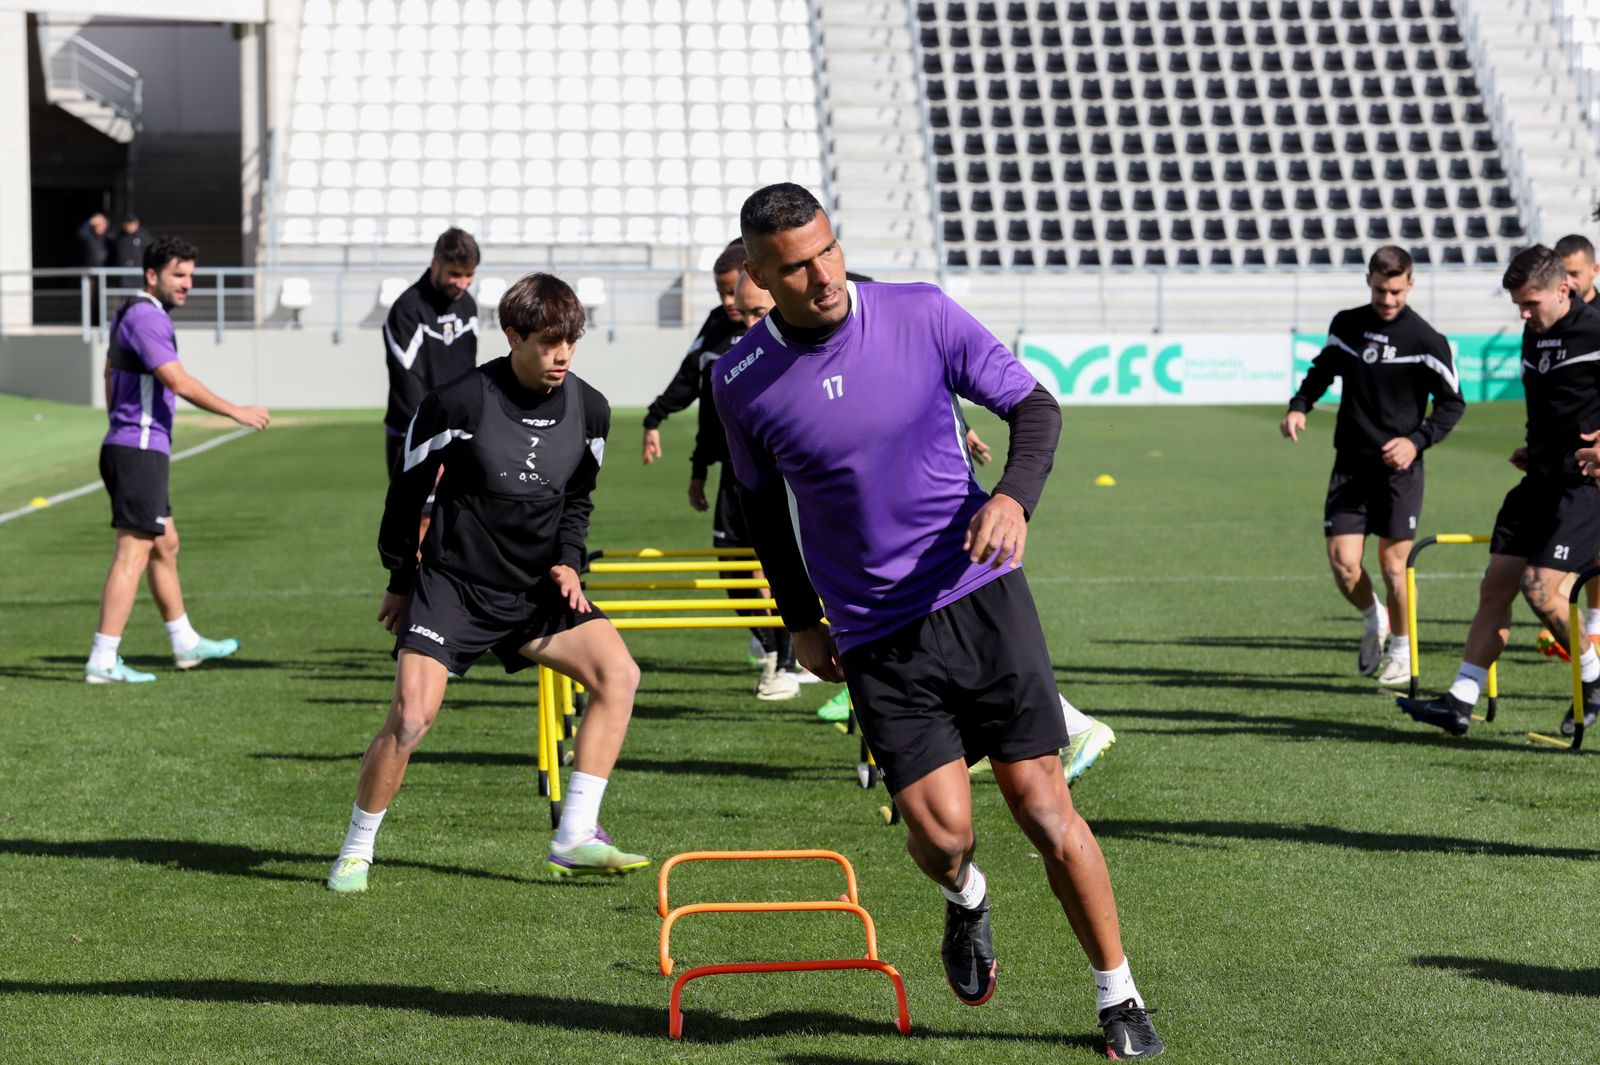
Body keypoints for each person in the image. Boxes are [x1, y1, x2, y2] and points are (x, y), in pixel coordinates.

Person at [713, 184, 1163, 1059]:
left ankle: (1118, 992)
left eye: (828, 250)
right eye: (796, 267)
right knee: (941, 832)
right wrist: (801, 621)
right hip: (873, 631)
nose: (823, 276)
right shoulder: (739, 381)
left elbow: (1036, 408)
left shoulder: (919, 312)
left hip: (980, 598)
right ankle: (966, 901)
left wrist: (1013, 499)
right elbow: (763, 513)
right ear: (760, 278)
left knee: (1043, 804)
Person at [328, 273, 647, 893]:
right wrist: (401, 577)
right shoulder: (457, 402)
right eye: (550, 342)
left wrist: (570, 561)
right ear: (514, 336)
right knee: (412, 719)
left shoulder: (592, 409)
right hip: (454, 585)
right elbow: (407, 494)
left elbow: (578, 498)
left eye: (571, 343)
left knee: (620, 674)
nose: (562, 356)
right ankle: (356, 849)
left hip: (535, 591)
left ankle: (575, 835)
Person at [1398, 245, 1600, 738]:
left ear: (1564, 290)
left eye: (1531, 304)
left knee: (1540, 588)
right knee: (1495, 586)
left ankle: (1594, 680)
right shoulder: (1534, 336)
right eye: (1518, 306)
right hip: (1540, 480)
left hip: (1585, 489)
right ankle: (1460, 699)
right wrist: (1537, 449)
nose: (1524, 315)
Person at [84, 237, 271, 684]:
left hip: (132, 445)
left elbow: (110, 372)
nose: (188, 284)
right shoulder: (148, 316)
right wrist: (235, 410)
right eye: (179, 275)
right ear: (153, 275)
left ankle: (184, 641)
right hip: (139, 450)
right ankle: (103, 659)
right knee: (133, 553)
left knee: (165, 543)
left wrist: (120, 422)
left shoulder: (132, 312)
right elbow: (178, 380)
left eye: (190, 275)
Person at [1280, 246, 1465, 687]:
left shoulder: (1426, 341)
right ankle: (1373, 618)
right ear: (1369, 281)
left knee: (1393, 566)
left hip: (1399, 471)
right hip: (1350, 465)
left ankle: (1402, 649)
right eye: (1382, 290)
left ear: (1411, 285)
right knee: (1344, 564)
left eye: (1397, 291)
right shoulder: (1347, 325)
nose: (1388, 300)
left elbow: (1453, 404)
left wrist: (1415, 441)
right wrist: (1300, 405)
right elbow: (1323, 369)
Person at [689, 267, 802, 699]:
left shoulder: (810, 339)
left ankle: (786, 661)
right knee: (734, 569)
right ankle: (775, 648)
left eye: (758, 312)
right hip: (738, 475)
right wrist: (699, 466)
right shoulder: (730, 356)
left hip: (790, 478)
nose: (749, 324)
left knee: (771, 566)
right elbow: (703, 407)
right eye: (743, 312)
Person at [641, 239, 748, 467]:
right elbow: (689, 377)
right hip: (733, 462)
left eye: (732, 292)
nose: (728, 301)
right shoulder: (717, 323)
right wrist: (654, 418)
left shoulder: (782, 320)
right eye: (722, 294)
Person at [383, 227, 481, 477]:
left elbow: (469, 372)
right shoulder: (408, 309)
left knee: (459, 516)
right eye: (455, 274)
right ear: (435, 264)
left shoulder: (468, 306)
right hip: (413, 434)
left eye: (469, 275)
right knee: (421, 516)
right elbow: (408, 384)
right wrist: (430, 445)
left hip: (457, 434)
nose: (463, 283)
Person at [1543, 234, 1600, 656]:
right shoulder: (1555, 323)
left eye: (1575, 274)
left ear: (1594, 271)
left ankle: (1592, 626)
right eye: (1563, 275)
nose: (1569, 282)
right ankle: (1588, 626)